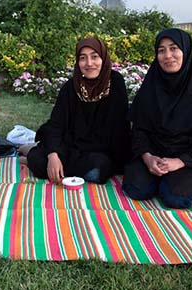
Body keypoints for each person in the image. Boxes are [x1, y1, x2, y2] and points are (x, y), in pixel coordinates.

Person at [122, 28, 192, 208]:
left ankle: (179, 181)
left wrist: (179, 162)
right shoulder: (150, 86)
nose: (167, 56)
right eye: (161, 50)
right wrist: (148, 157)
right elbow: (139, 130)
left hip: (188, 158)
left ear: (185, 51)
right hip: (154, 153)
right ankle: (158, 177)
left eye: (173, 48)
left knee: (175, 198)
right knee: (137, 190)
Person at [27, 37, 130, 184]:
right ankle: (32, 151)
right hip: (70, 147)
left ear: (103, 58)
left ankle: (58, 166)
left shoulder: (115, 83)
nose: (89, 63)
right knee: (39, 161)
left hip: (101, 151)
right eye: (83, 58)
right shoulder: (71, 87)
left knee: (99, 168)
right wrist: (53, 155)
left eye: (94, 57)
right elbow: (56, 124)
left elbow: (119, 129)